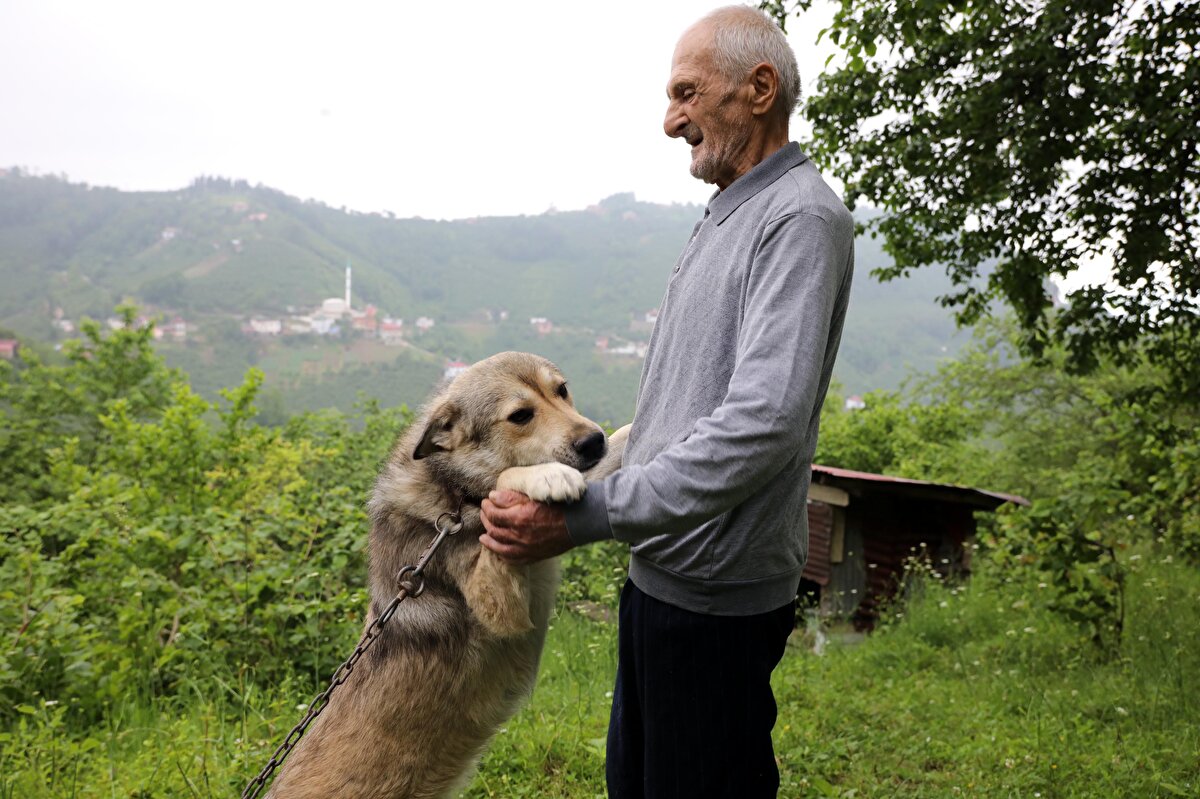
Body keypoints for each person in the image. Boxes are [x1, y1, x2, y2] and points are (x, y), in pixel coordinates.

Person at [480, 5, 854, 797]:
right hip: (661, 578)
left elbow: (764, 424)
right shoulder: (732, 214)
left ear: (758, 89)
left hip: (716, 603)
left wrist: (585, 517)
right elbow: (675, 417)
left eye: (686, 92)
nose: (669, 119)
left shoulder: (799, 219)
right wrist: (577, 474)